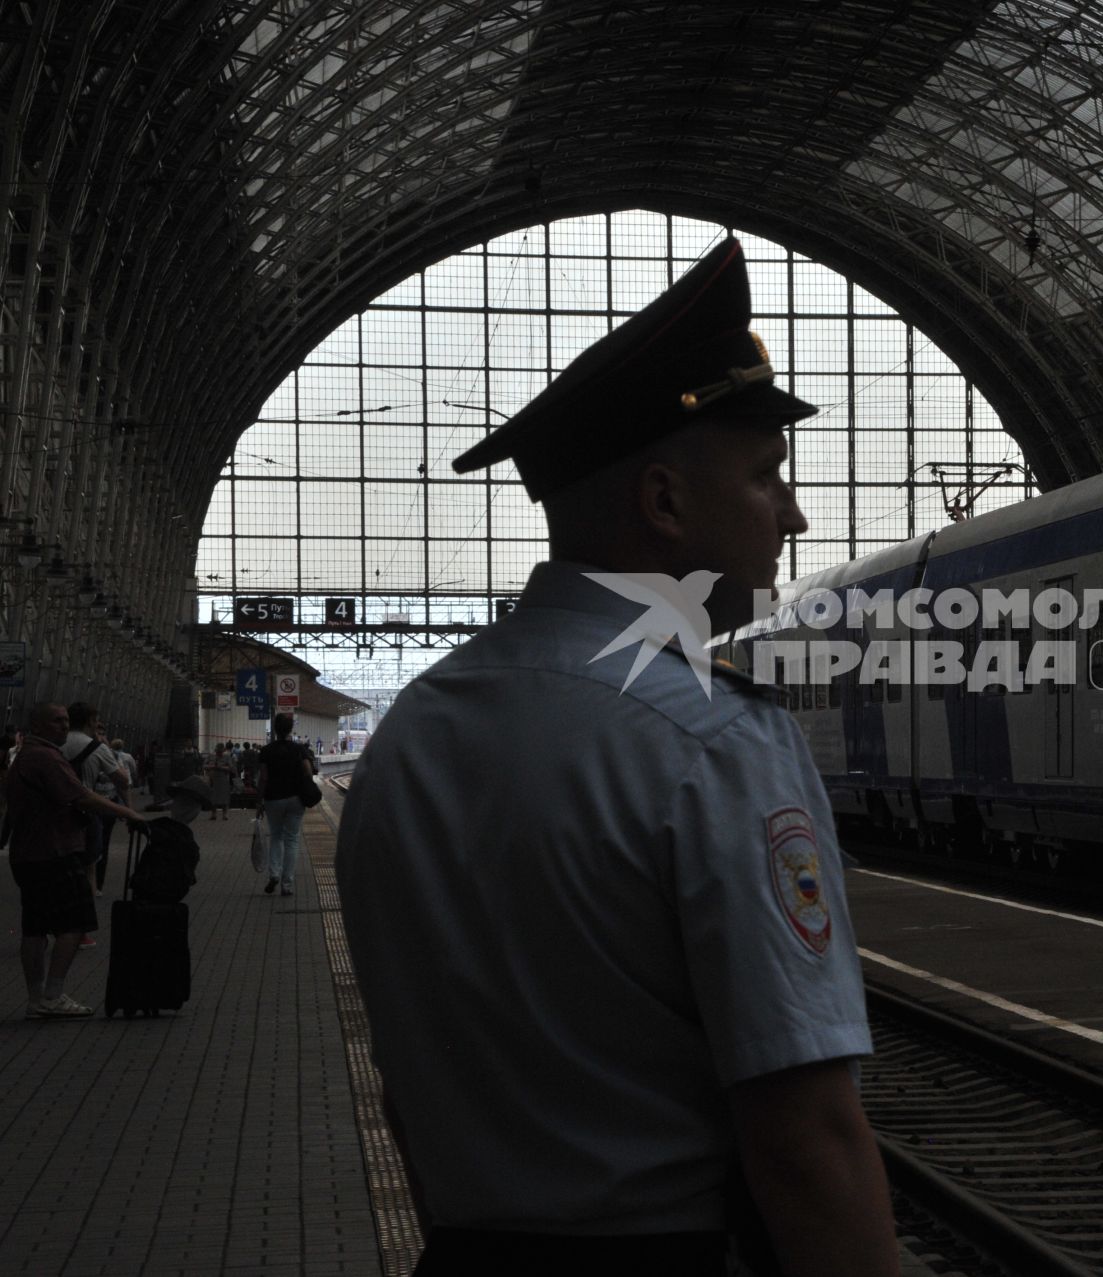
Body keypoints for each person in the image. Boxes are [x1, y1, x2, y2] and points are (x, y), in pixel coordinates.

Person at [336, 238, 896, 1276]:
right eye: (768, 477)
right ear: (666, 500)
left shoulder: (412, 734)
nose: (794, 513)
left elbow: (401, 1092)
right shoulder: (715, 743)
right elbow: (807, 1138)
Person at [6, 702, 151, 1017]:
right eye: (57, 721)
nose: (63, 726)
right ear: (38, 726)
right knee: (74, 923)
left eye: (66, 720)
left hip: (28, 854)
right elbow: (81, 796)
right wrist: (127, 813)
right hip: (54, 852)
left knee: (34, 928)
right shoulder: (45, 758)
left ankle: (36, 999)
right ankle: (53, 994)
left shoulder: (25, 756)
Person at [64, 704, 128, 903]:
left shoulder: (54, 743)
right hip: (86, 811)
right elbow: (122, 781)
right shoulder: (97, 747)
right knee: (89, 866)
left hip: (55, 812)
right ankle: (84, 919)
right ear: (90, 721)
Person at [256, 715, 313, 896]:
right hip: (296, 799)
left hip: (273, 799)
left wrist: (259, 801)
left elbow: (263, 777)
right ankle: (287, 884)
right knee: (292, 840)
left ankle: (274, 874)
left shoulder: (266, 751)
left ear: (274, 729)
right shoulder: (299, 750)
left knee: (276, 836)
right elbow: (308, 772)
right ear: (290, 729)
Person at [206, 743, 235, 821]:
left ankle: (225, 814)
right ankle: (213, 814)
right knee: (213, 796)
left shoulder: (227, 757)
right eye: (218, 752)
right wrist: (211, 767)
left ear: (223, 750)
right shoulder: (211, 756)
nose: (219, 753)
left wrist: (222, 767)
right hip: (213, 779)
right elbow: (204, 765)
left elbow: (231, 768)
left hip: (224, 779)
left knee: (224, 797)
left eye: (220, 752)